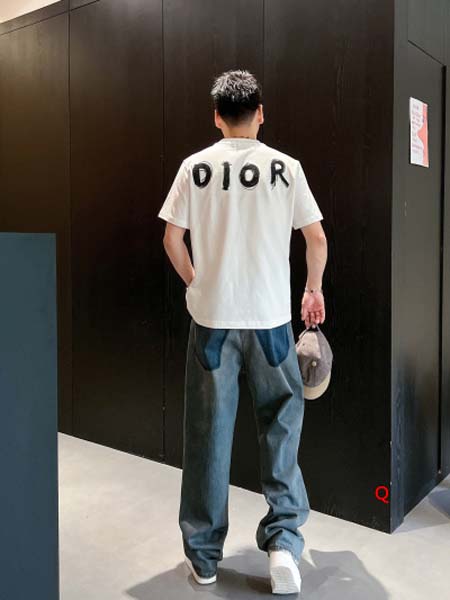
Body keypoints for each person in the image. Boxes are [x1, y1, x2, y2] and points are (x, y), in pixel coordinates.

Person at [157, 69, 327, 594]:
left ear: (216, 117)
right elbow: (316, 239)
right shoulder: (286, 167)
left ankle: (205, 558)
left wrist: (196, 282)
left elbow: (172, 239)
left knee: (208, 434)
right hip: (271, 319)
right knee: (282, 427)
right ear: (260, 114)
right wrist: (312, 290)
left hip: (213, 320)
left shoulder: (195, 167)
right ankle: (283, 547)